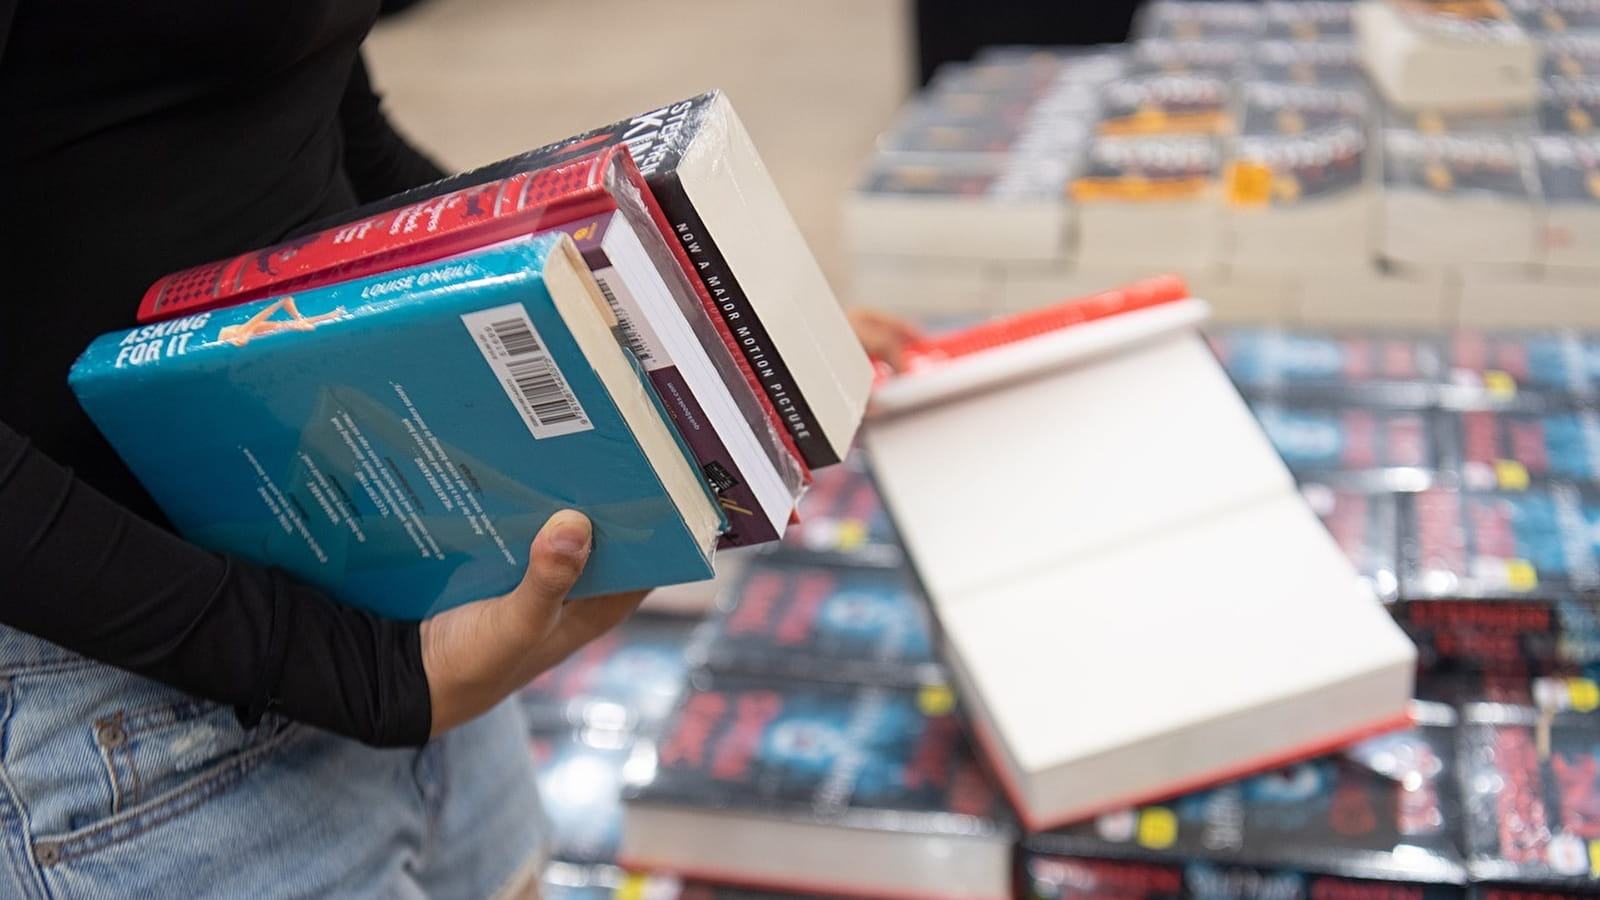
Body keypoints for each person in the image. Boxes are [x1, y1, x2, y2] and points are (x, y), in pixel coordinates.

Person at [0, 2, 920, 897]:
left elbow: (319, 118)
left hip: (382, 539)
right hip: (129, 664)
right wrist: (349, 671)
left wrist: (693, 338)